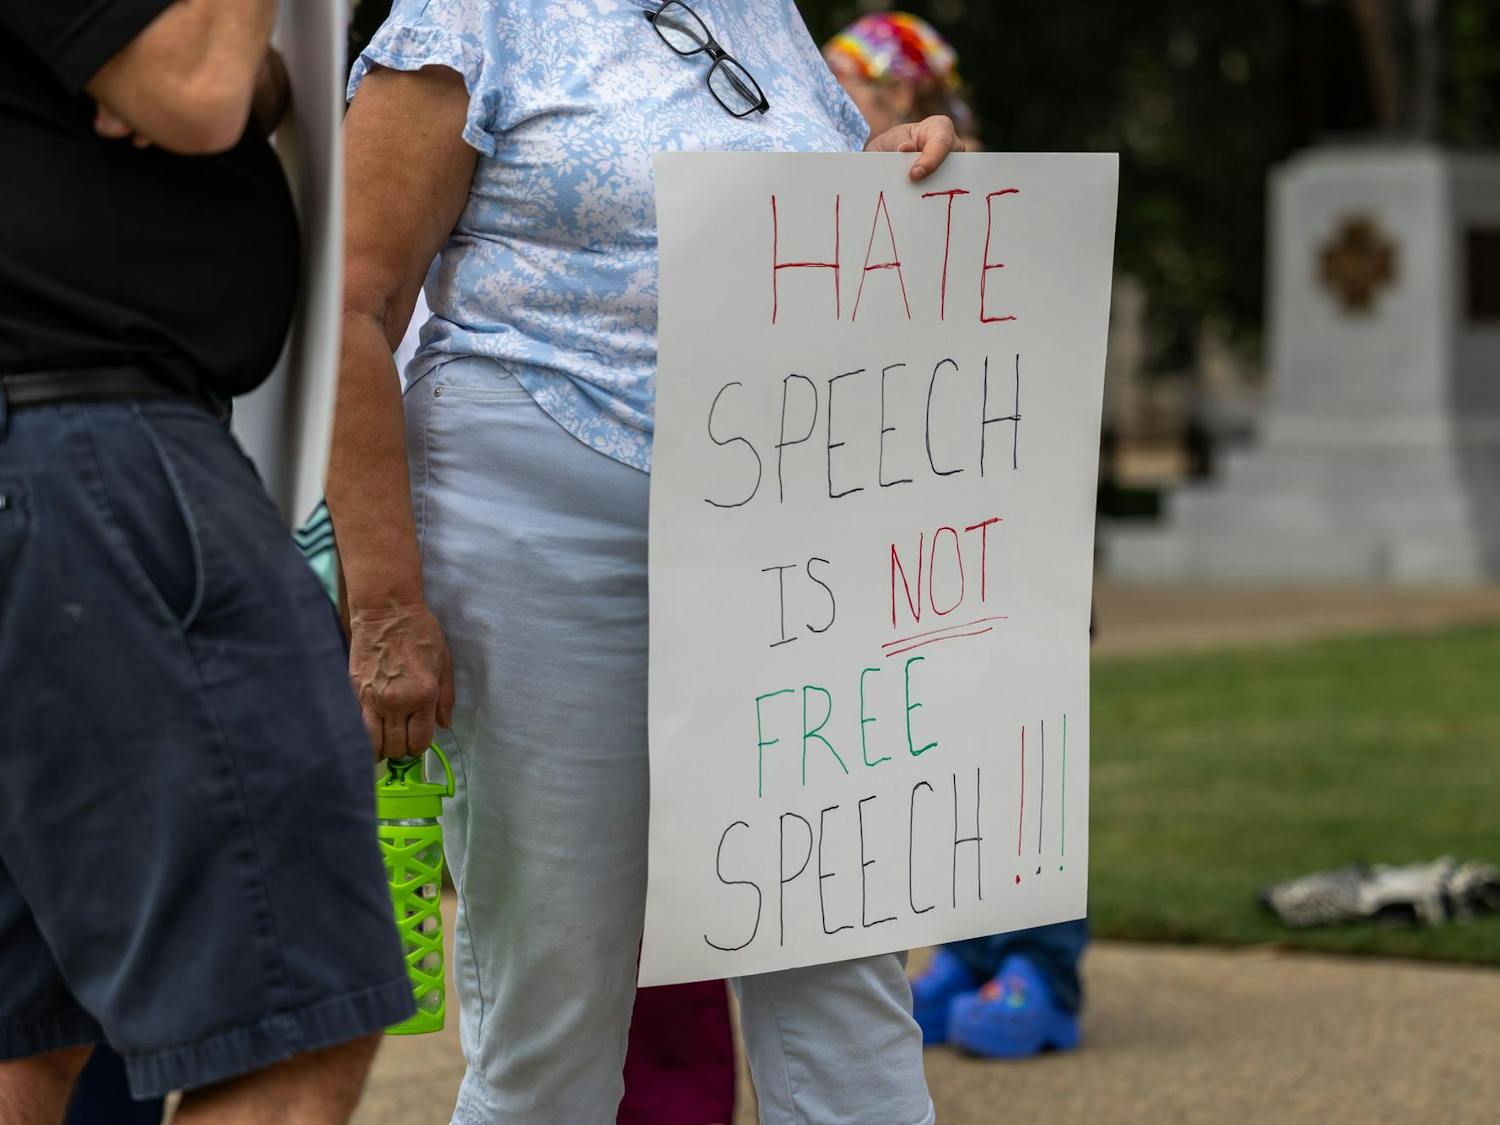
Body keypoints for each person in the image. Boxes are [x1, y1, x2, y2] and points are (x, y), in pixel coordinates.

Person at [329, 2, 962, 1121]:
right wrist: (385, 606)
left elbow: (793, 238)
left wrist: (891, 177)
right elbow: (348, 305)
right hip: (539, 530)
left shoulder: (761, 15)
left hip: (783, 554)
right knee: (556, 1017)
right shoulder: (474, 15)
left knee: (849, 1001)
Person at [0, 3, 415, 1121]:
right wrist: (214, 85)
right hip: (89, 446)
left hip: (68, 451)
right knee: (300, 1002)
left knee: (30, 1025)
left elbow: (212, 87)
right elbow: (192, 93)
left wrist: (246, 87)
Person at [825, 10, 1091, 1061]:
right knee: (943, 747)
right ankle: (973, 950)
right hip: (918, 526)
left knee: (1020, 744)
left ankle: (1042, 964)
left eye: (862, 85)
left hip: (1008, 525)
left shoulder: (977, 187)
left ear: (908, 96)